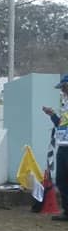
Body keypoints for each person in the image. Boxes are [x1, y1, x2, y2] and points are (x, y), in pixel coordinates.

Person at [43, 74, 68, 222]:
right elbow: (61, 124)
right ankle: (67, 211)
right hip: (63, 146)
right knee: (61, 180)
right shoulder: (65, 104)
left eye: (64, 88)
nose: (62, 91)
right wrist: (52, 115)